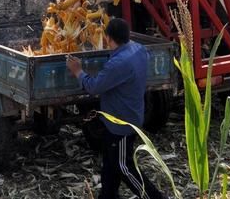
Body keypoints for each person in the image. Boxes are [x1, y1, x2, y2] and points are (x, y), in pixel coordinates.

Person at [66, 19, 165, 199]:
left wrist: (78, 71)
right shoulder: (138, 49)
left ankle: (155, 197)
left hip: (121, 123)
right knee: (110, 163)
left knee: (123, 166)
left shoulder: (119, 63)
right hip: (132, 113)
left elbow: (94, 87)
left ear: (109, 38)